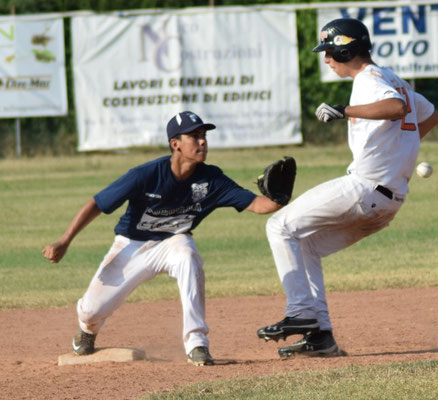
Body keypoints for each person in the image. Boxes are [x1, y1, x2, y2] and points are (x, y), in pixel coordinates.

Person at [257, 18, 438, 358]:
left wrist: (344, 110)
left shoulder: (369, 80)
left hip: (365, 188)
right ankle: (321, 336)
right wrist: (401, 150)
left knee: (279, 225)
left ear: (345, 48)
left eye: (329, 52)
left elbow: (396, 109)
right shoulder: (393, 79)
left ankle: (300, 313)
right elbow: (429, 112)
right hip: (388, 202)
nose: (327, 60)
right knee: (305, 243)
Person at [42, 111, 282, 366]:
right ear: (175, 144)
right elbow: (98, 203)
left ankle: (196, 343)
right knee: (91, 311)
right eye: (194, 136)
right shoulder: (145, 175)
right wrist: (65, 240)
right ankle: (87, 331)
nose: (202, 142)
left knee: (188, 256)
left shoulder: (211, 179)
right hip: (132, 245)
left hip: (174, 242)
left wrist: (279, 198)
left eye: (203, 136)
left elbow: (257, 204)